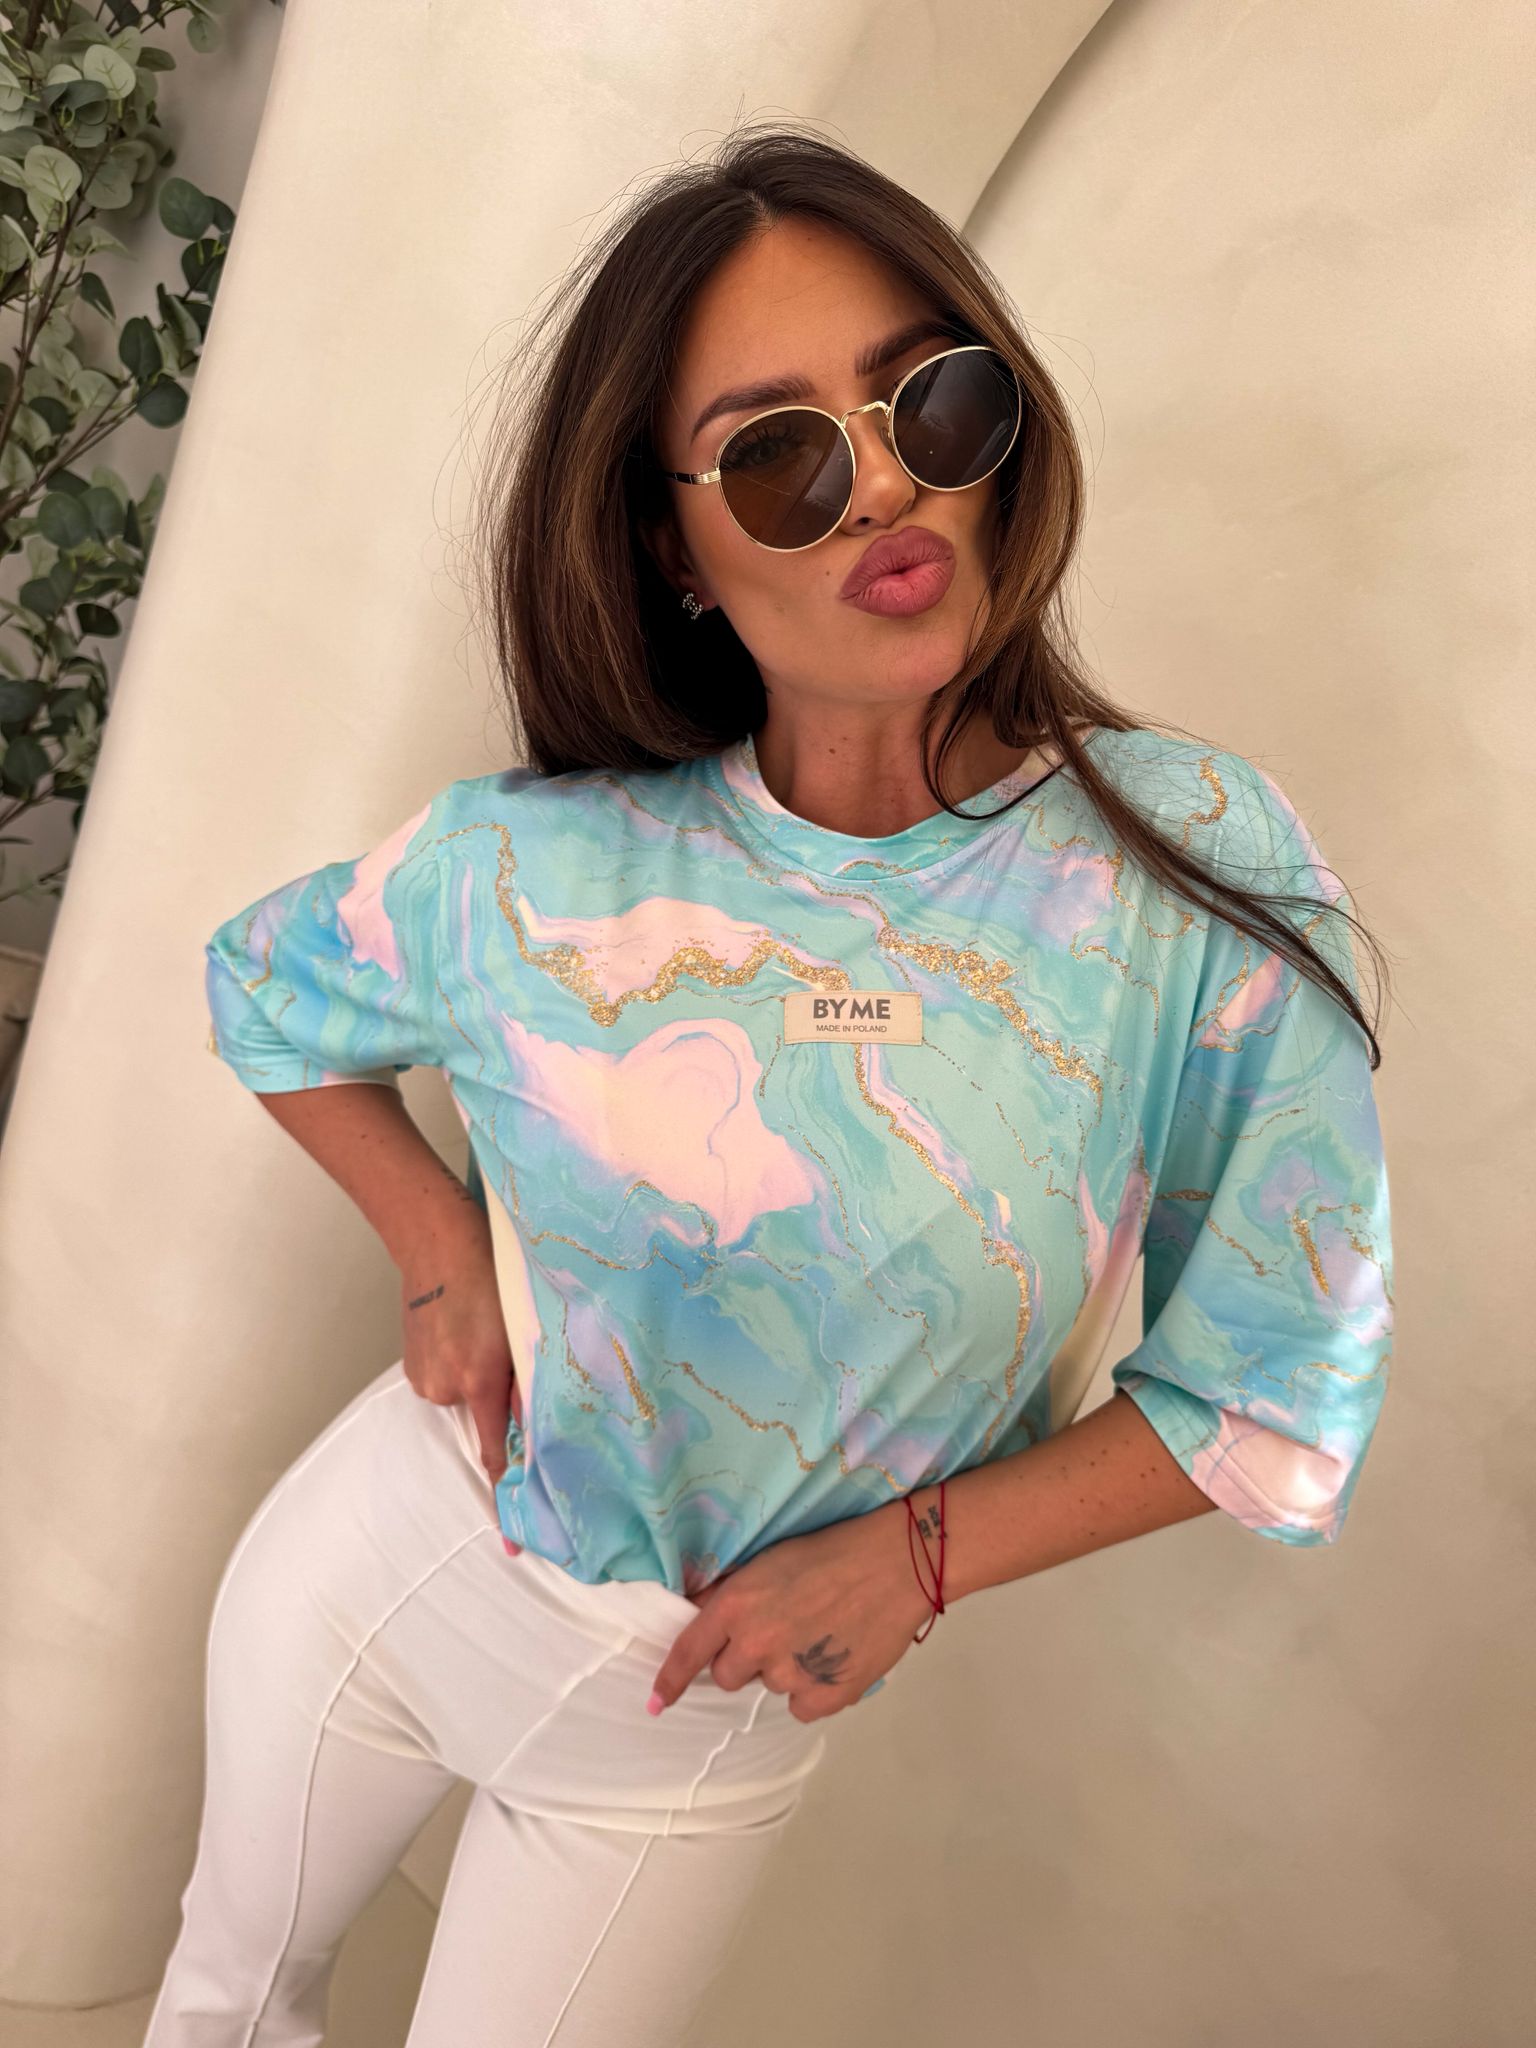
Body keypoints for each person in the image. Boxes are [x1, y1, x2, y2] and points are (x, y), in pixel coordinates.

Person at [145, 121, 1395, 2046]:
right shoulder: (544, 862)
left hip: (684, 1727)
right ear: (676, 546)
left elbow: (1280, 1386)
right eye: (779, 457)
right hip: (385, 1573)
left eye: (933, 400)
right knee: (225, 1999)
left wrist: (921, 1558)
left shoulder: (1182, 871)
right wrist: (438, 1251)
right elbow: (262, 994)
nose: (886, 480)